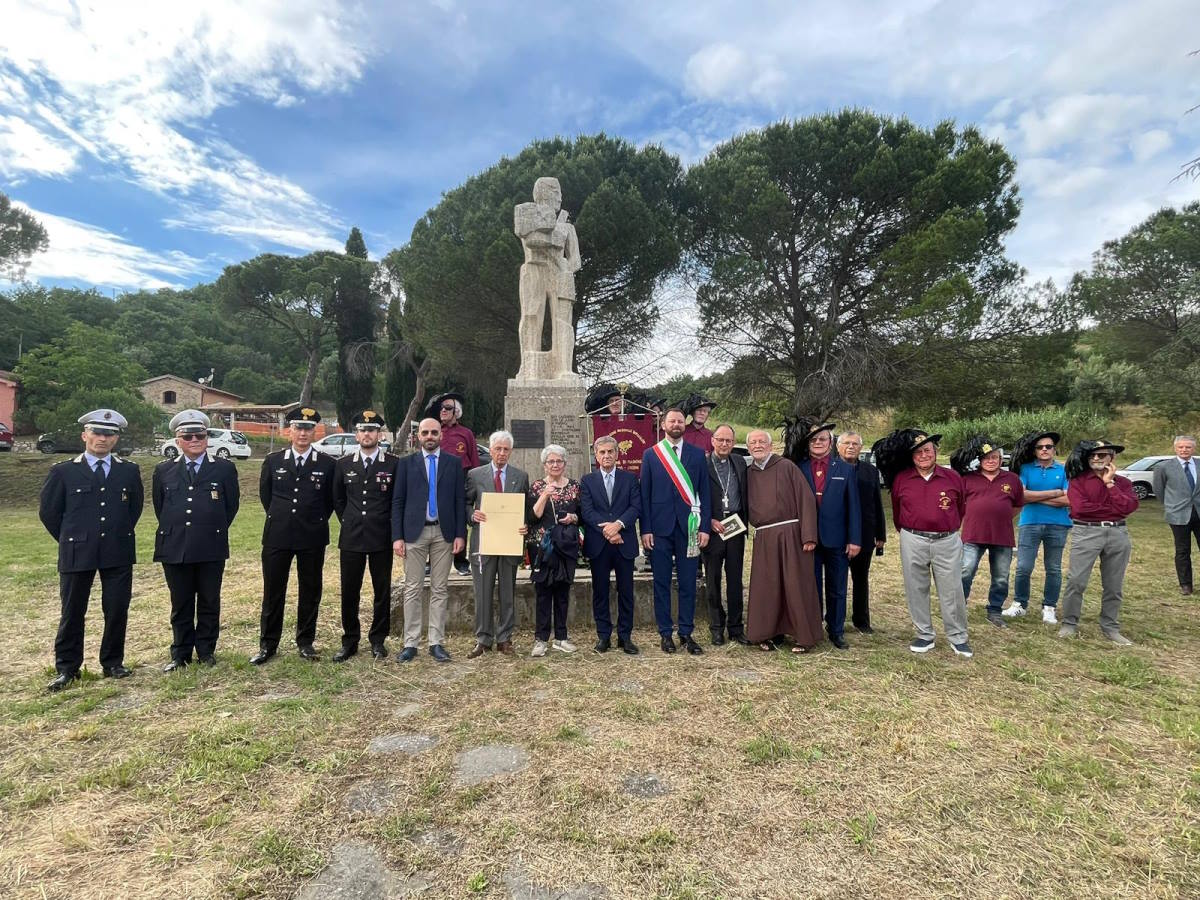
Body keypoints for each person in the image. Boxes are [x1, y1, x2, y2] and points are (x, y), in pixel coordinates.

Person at [39, 409, 144, 692]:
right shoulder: (63, 471)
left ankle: (112, 662)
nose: (102, 438)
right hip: (77, 551)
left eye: (109, 434)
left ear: (116, 438)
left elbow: (133, 510)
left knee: (117, 608)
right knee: (72, 611)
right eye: (96, 432)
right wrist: (70, 539)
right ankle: (67, 668)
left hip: (117, 549)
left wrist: (115, 534)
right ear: (84, 435)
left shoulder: (128, 470)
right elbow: (50, 513)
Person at [152, 409, 240, 671]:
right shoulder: (164, 470)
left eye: (199, 435)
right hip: (175, 546)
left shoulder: (223, 469)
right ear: (178, 439)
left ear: (207, 438)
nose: (194, 440)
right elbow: (161, 507)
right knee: (180, 603)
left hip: (210, 545)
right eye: (187, 436)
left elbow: (230, 507)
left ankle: (206, 650)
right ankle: (180, 654)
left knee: (209, 601)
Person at [876, 429, 973, 659]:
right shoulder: (902, 479)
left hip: (946, 540)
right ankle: (924, 634)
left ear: (935, 452)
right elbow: (897, 512)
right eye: (918, 452)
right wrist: (911, 532)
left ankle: (958, 636)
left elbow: (961, 509)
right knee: (916, 587)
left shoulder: (952, 478)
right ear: (912, 456)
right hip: (913, 538)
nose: (923, 455)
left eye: (927, 450)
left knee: (952, 589)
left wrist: (945, 527)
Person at [251, 406, 336, 665]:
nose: (303, 432)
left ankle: (306, 642)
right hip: (278, 535)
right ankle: (268, 644)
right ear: (289, 431)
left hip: (312, 535)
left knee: (310, 590)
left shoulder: (327, 464)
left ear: (314, 432)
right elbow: (267, 496)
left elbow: (330, 501)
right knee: (273, 591)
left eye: (308, 428)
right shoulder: (273, 461)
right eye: (298, 427)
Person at [391, 417, 466, 662]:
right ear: (418, 435)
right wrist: (397, 537)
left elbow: (458, 501)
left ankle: (436, 642)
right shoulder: (405, 464)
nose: (430, 436)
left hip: (444, 533)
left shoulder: (453, 464)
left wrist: (460, 534)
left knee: (439, 588)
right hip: (415, 532)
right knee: (412, 588)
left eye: (434, 432)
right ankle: (410, 643)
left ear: (441, 435)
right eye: (425, 432)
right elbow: (398, 502)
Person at [743, 430, 823, 652]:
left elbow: (806, 498)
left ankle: (803, 636)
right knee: (767, 586)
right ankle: (767, 633)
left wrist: (808, 535)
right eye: (753, 442)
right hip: (765, 537)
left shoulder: (786, 466)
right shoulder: (748, 472)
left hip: (791, 534)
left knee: (795, 584)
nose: (757, 445)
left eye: (762, 441)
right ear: (748, 447)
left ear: (770, 446)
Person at [640, 407, 712, 654]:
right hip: (659, 530)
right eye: (672, 421)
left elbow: (705, 493)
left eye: (680, 421)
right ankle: (665, 634)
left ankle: (686, 632)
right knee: (661, 582)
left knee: (688, 583)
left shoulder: (696, 454)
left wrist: (704, 527)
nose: (676, 425)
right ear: (663, 425)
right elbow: (645, 495)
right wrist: (645, 529)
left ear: (684, 424)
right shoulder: (651, 455)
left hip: (689, 529)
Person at [787, 417, 861, 650]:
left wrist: (855, 539)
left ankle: (836, 630)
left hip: (837, 539)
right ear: (808, 443)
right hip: (807, 539)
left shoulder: (845, 469)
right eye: (814, 439)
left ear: (831, 442)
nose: (818, 442)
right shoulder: (798, 468)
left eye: (823, 439)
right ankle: (813, 626)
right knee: (811, 586)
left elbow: (854, 508)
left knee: (837, 587)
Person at [331, 410, 398, 662]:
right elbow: (338, 499)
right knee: (350, 590)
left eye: (372, 430)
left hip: (381, 535)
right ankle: (349, 641)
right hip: (352, 537)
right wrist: (350, 520)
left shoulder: (392, 463)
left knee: (382, 591)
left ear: (379, 434)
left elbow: (395, 500)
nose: (367, 434)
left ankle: (378, 640)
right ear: (356, 434)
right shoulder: (344, 464)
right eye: (362, 430)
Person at [1059, 440, 1139, 645]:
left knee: (1114, 584)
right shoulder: (1077, 481)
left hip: (1118, 533)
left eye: (1102, 455)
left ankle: (1110, 626)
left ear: (1112, 458)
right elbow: (1080, 509)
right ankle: (1069, 623)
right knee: (1076, 580)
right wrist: (1112, 508)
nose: (1096, 459)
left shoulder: (1123, 483)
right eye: (1092, 455)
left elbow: (1128, 507)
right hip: (1086, 531)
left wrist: (1109, 484)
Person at [466, 431, 530, 658]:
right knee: (482, 590)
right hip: (484, 542)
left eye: (506, 449)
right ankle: (483, 638)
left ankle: (505, 638)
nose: (502, 453)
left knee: (507, 591)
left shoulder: (520, 477)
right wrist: (472, 514)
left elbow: (524, 509)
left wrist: (524, 525)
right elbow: (465, 503)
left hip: (509, 542)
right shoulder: (475, 475)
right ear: (490, 450)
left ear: (510, 452)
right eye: (498, 449)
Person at [950, 435, 1024, 629]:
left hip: (1002, 536)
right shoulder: (967, 479)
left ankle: (995, 611)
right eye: (986, 458)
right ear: (980, 461)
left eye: (994, 457)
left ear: (1001, 459)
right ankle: (959, 608)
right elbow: (959, 504)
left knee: (1001, 576)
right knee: (965, 571)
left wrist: (1000, 516)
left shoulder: (1012, 479)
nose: (991, 461)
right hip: (973, 534)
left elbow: (1017, 505)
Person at [580, 435, 641, 654]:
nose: (606, 456)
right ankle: (603, 636)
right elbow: (586, 511)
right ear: (596, 455)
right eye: (602, 452)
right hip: (600, 544)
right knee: (601, 591)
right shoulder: (587, 481)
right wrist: (607, 531)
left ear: (617, 454)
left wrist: (618, 525)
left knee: (626, 591)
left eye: (610, 452)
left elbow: (636, 507)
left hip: (624, 542)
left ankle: (625, 637)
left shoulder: (630, 479)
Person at [1005, 431, 1071, 624]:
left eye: (1048, 446)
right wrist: (1055, 492)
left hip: (1058, 525)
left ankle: (1049, 607)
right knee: (1024, 567)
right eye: (1040, 447)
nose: (1044, 450)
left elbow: (1069, 499)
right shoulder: (1025, 469)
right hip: (1030, 522)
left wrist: (1036, 497)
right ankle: (1019, 604)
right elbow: (1022, 496)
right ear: (1034, 451)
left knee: (1054, 568)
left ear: (1054, 449)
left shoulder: (1064, 470)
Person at [528, 445, 582, 657]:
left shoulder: (575, 487)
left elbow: (582, 515)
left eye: (559, 461)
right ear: (544, 465)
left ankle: (561, 637)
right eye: (551, 462)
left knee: (562, 592)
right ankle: (541, 639)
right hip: (543, 547)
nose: (555, 465)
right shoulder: (536, 486)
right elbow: (533, 517)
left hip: (566, 546)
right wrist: (544, 495)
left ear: (565, 464)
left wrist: (573, 518)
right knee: (543, 593)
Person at [704, 423, 750, 645]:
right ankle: (716, 626)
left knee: (735, 579)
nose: (724, 444)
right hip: (712, 527)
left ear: (733, 443)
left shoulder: (740, 462)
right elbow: (694, 497)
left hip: (735, 526)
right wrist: (707, 521)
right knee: (712, 579)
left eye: (728, 441)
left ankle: (735, 627)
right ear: (712, 441)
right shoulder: (702, 464)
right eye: (720, 440)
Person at [836, 431, 886, 633]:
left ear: (860, 448)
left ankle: (861, 620)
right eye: (846, 443)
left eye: (855, 444)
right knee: (836, 580)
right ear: (838, 446)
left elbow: (877, 503)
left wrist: (880, 533)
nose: (850, 447)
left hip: (865, 533)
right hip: (837, 532)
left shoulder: (870, 471)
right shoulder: (831, 468)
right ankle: (834, 617)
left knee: (861, 578)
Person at [428, 391, 478, 575]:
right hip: (436, 480)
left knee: (459, 521)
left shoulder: (466, 434)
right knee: (432, 519)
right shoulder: (433, 431)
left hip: (460, 481)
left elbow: (474, 462)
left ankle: (460, 561)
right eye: (441, 408)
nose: (443, 411)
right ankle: (431, 560)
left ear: (457, 412)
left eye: (448, 408)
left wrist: (473, 487)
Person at [1152, 435, 1200, 596]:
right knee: (1182, 550)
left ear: (1194, 448)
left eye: (1188, 447)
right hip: (1178, 514)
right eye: (1181, 447)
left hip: (1198, 512)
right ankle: (1186, 585)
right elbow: (1159, 490)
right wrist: (1171, 505)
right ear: (1175, 448)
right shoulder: (1164, 467)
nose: (1184, 450)